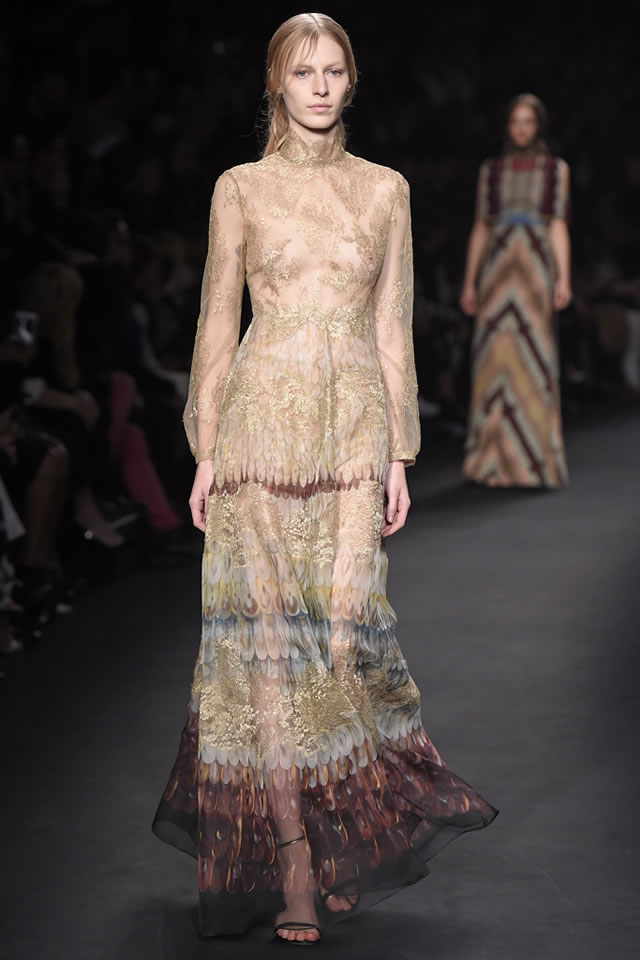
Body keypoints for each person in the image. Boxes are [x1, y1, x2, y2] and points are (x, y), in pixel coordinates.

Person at [152, 13, 497, 945]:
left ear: (352, 83)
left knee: (344, 644)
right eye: (302, 71)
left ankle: (341, 830)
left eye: (333, 71)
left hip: (350, 433)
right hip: (258, 436)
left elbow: (393, 325)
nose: (318, 86)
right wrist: (206, 447)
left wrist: (400, 453)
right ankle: (298, 857)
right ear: (276, 82)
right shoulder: (240, 188)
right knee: (270, 658)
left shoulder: (385, 189)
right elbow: (216, 321)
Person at [460, 93, 571, 487]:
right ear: (508, 127)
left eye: (528, 122)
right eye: (515, 121)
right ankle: (490, 461)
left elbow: (557, 224)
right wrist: (470, 281)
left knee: (533, 357)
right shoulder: (491, 170)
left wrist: (563, 278)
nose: (521, 129)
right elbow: (481, 226)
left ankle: (533, 463)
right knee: (493, 357)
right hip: (497, 269)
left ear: (538, 126)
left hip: (536, 269)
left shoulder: (555, 170)